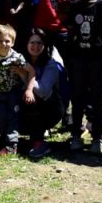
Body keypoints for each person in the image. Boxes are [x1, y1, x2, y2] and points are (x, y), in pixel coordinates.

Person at [63, 0, 102, 154]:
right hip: (78, 59)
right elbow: (70, 32)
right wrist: (69, 57)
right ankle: (76, 135)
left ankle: (97, 137)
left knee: (96, 99)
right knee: (77, 98)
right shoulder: (76, 5)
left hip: (97, 60)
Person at [0, 24, 34, 156]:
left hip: (13, 91)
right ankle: (2, 141)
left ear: (12, 42)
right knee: (1, 116)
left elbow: (31, 71)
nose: (3, 44)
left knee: (13, 115)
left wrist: (29, 89)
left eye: (7, 41)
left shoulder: (17, 57)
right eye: (0, 41)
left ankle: (12, 145)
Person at [21, 29, 66, 159]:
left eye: (39, 43)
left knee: (33, 98)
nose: (35, 46)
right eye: (32, 42)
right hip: (23, 106)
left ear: (44, 45)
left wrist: (25, 76)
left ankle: (39, 143)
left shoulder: (50, 64)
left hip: (51, 109)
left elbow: (43, 91)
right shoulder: (20, 61)